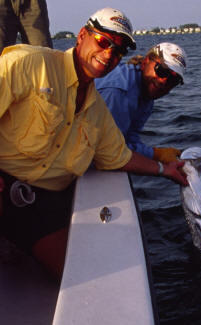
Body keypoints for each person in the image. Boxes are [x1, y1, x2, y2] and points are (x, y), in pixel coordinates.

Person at [0, 7, 187, 280]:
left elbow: (119, 156)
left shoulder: (97, 109)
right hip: (5, 179)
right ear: (82, 35)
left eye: (119, 49)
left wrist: (163, 170)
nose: (109, 53)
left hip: (40, 200)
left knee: (79, 274)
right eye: (103, 41)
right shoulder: (28, 63)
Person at [95, 42, 187, 163]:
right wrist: (157, 158)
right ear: (145, 62)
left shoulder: (147, 92)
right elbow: (106, 149)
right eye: (162, 71)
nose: (164, 81)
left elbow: (129, 139)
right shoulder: (118, 92)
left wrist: (157, 155)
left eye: (173, 80)